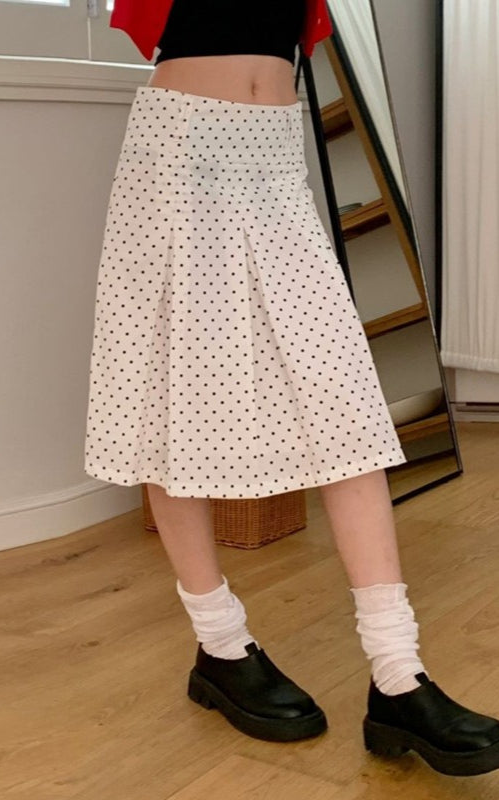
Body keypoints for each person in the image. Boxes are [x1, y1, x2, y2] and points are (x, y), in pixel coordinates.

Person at [84, 0, 499, 776]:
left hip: (274, 155)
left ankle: (397, 675)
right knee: (170, 405)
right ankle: (219, 643)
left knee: (347, 410)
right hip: (178, 151)